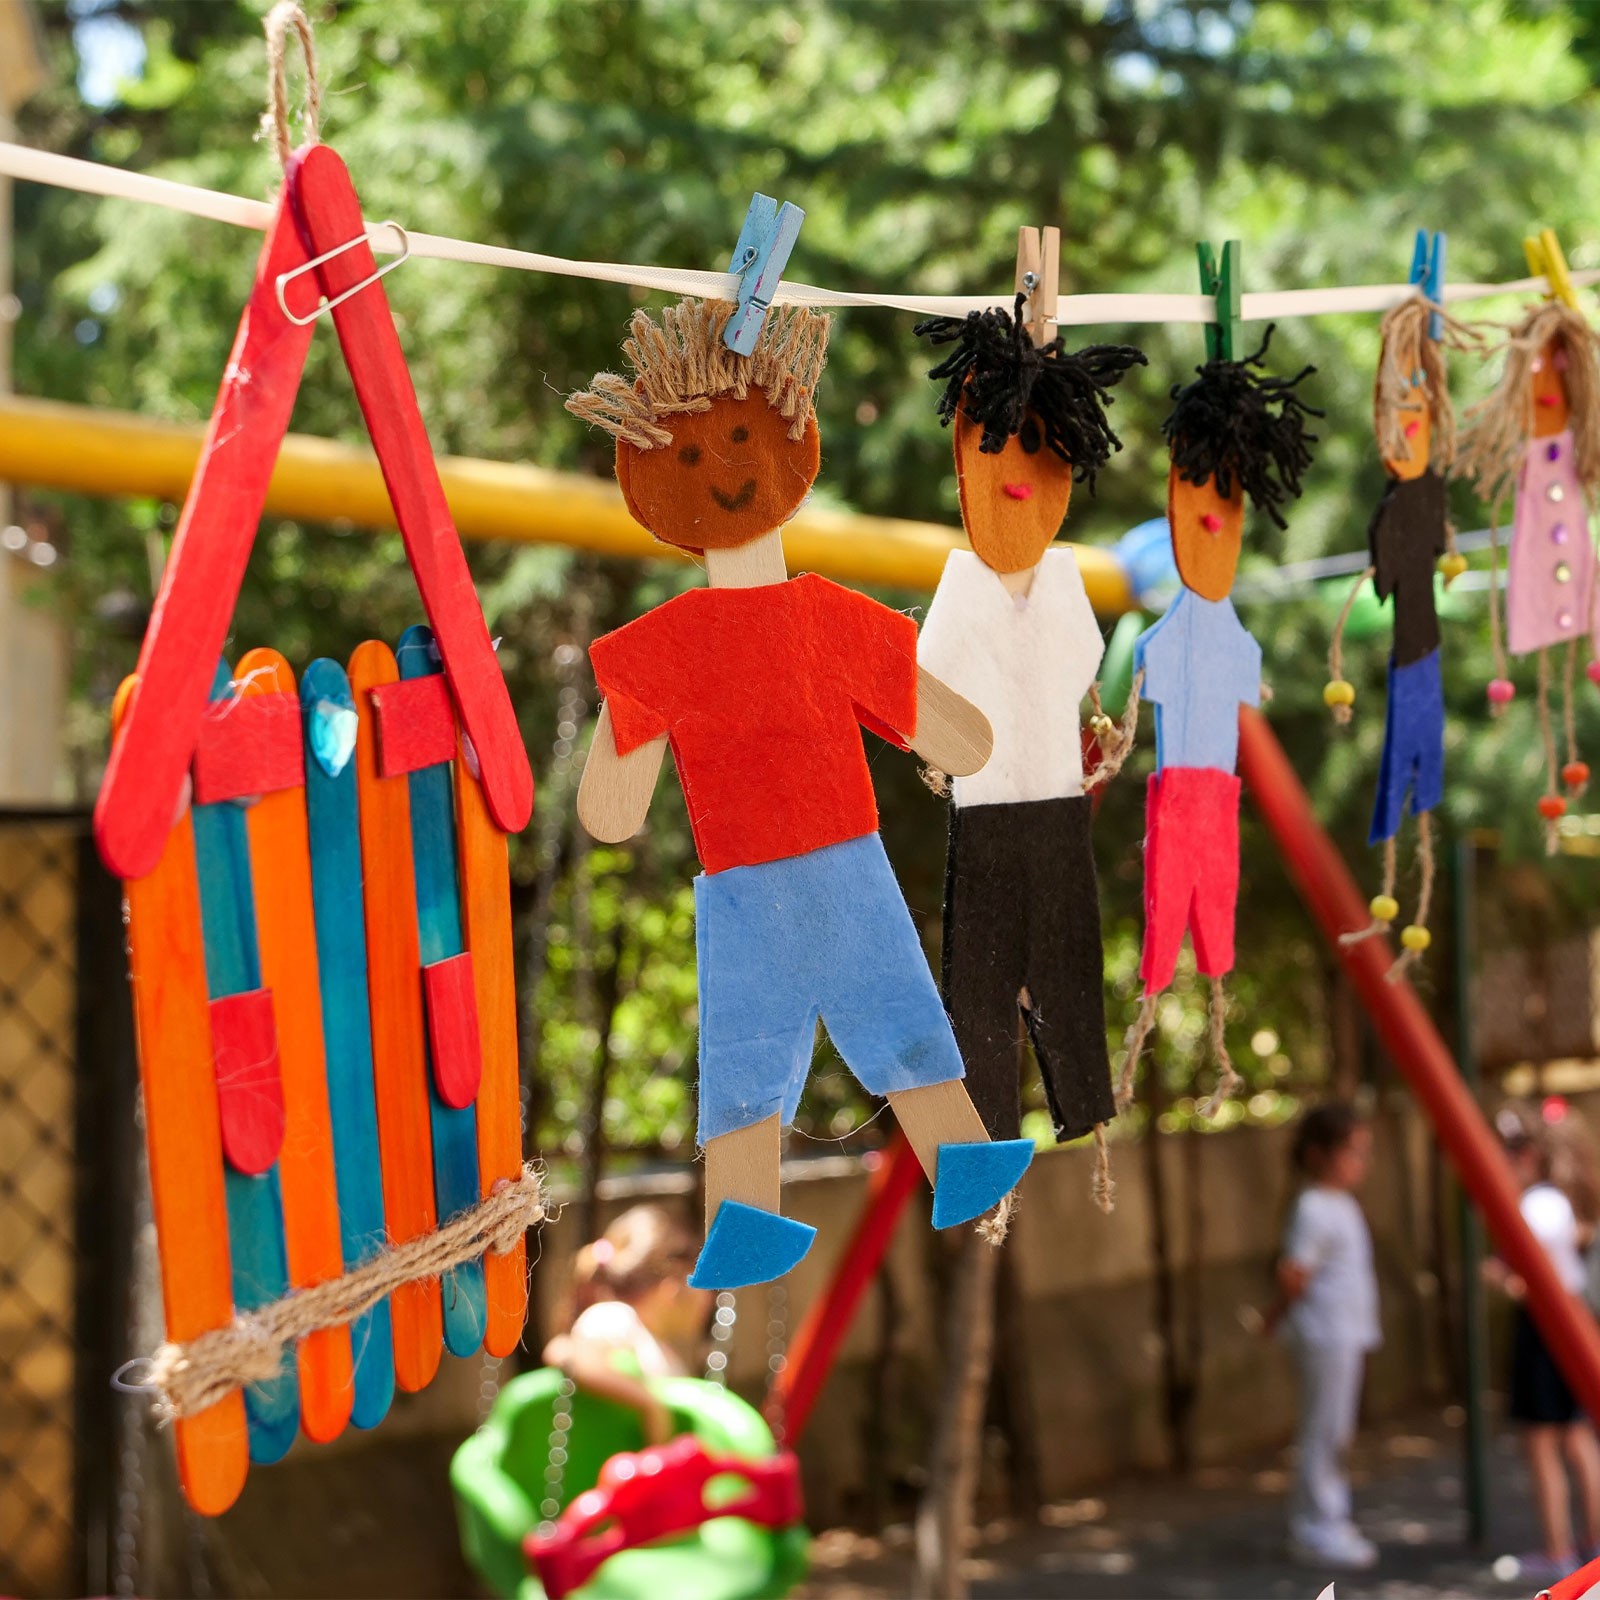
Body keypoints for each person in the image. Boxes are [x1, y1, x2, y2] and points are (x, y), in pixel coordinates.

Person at [566, 297, 1032, 1290]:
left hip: (819, 868)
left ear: (787, 442)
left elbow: (955, 735)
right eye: (692, 455)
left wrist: (968, 728)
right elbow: (612, 804)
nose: (723, 468)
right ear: (654, 481)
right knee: (755, 1052)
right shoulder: (677, 645)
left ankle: (955, 1161)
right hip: (759, 883)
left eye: (741, 440)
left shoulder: (819, 620)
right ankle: (753, 1220)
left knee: (881, 1016)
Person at [1263, 1102, 1381, 1571]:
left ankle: (1330, 1518)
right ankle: (1316, 1527)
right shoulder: (1313, 1207)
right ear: (1319, 1154)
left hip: (1342, 1333)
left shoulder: (1339, 1203)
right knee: (1324, 1430)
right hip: (1325, 1334)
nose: (1360, 1162)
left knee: (1336, 1429)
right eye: (1352, 1151)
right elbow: (1294, 1272)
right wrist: (1276, 1315)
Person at [1488, 1101, 1600, 1585]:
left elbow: (1527, 1276)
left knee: (1542, 1442)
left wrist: (1501, 1277)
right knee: (1576, 1436)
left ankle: (1558, 1549)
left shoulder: (1534, 1206)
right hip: (1568, 1323)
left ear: (1526, 1156)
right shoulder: (1555, 1202)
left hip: (1545, 1329)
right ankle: (1590, 1542)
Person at [543, 1205, 713, 1446]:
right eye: (703, 1283)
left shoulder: (650, 1342)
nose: (710, 1297)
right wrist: (649, 1405)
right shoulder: (615, 1318)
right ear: (672, 1287)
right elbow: (567, 1352)